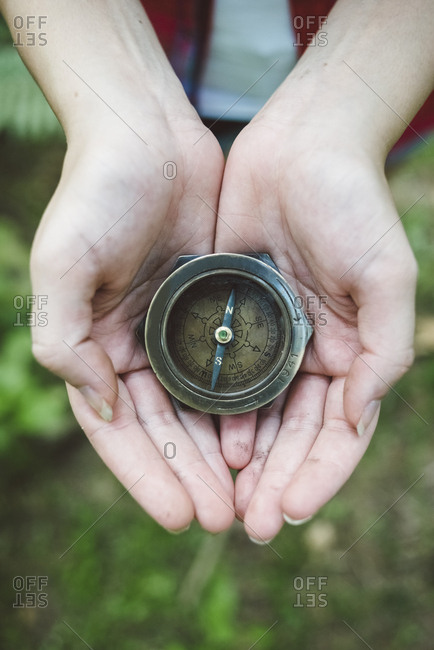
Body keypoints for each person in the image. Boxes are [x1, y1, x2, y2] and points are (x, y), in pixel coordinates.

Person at [1, 0, 433, 544]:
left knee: (360, 178)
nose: (223, 333)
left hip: (377, 93)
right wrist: (121, 116)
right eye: (221, 328)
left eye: (221, 329)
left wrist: (347, 123)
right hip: (163, 71)